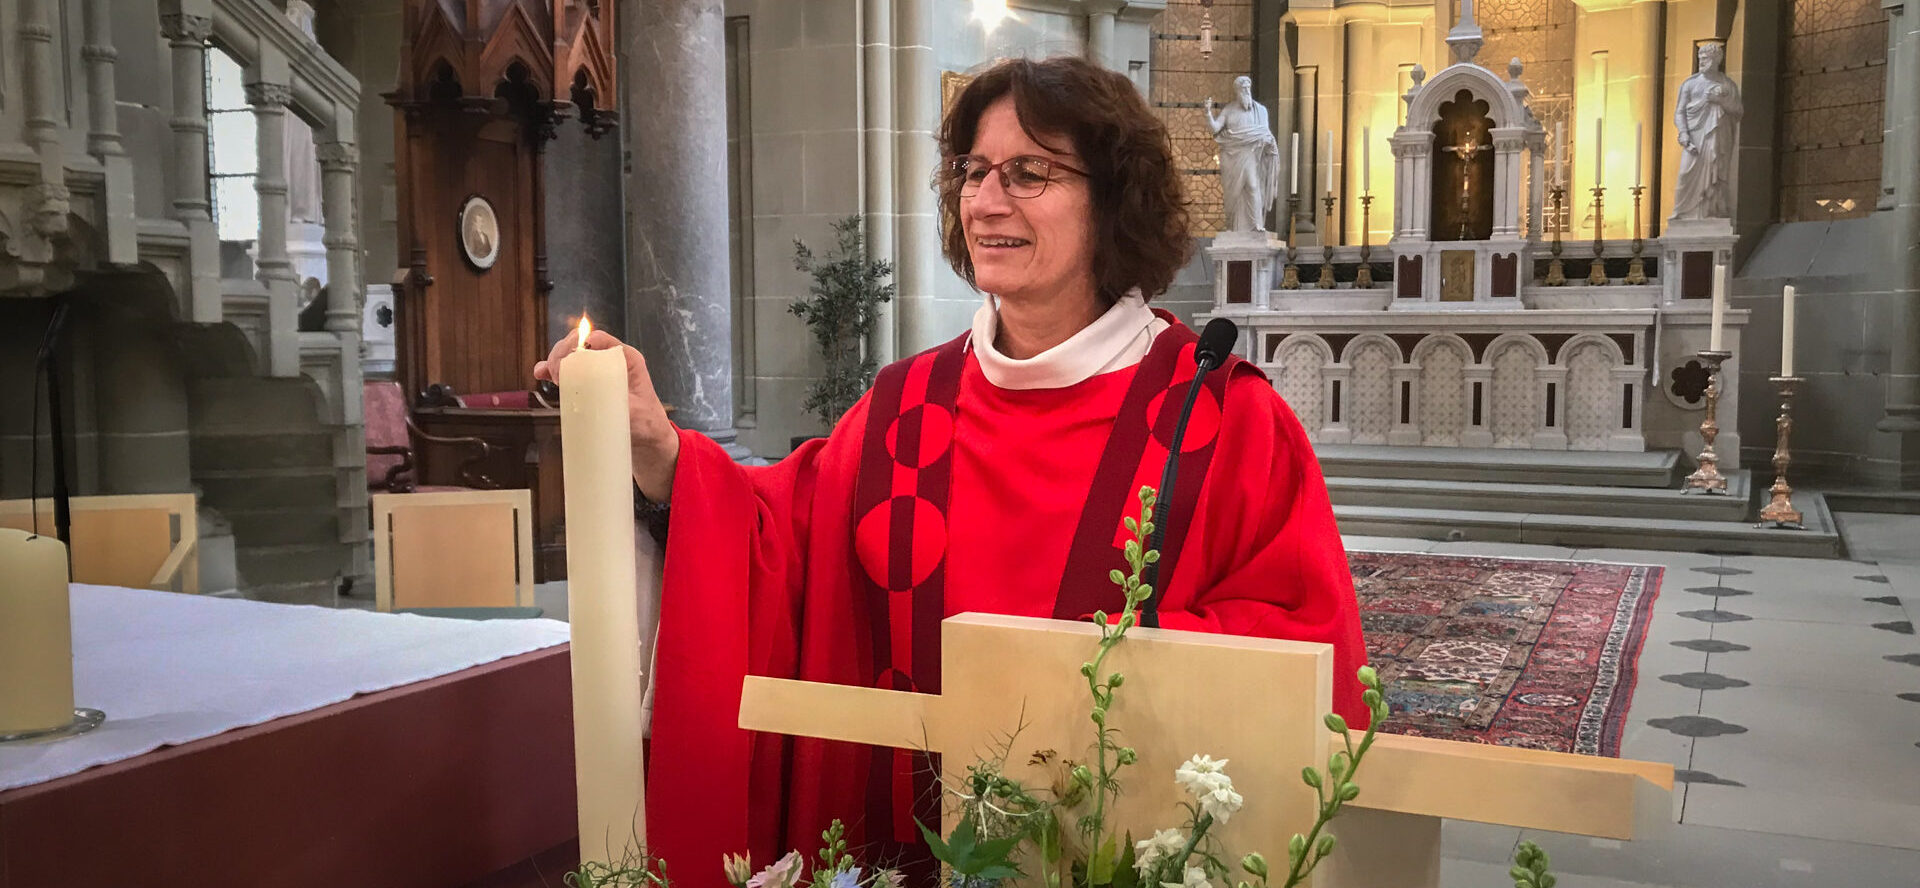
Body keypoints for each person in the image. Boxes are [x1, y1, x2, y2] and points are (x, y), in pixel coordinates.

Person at [535, 56, 1366, 884]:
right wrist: (662, 452)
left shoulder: (1220, 418)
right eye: (974, 171)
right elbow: (774, 542)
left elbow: (1301, 651)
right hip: (900, 854)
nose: (986, 200)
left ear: (1113, 198)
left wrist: (1092, 689)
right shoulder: (907, 409)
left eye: (1029, 172)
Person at [1671, 41, 1742, 221]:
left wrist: (1721, 101)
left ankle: (1712, 212)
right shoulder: (1689, 84)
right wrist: (1684, 133)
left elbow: (1738, 111)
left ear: (1716, 60)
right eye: (1700, 58)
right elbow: (1679, 111)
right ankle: (1684, 214)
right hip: (1694, 137)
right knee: (1684, 175)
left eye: (1705, 58)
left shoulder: (1728, 85)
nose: (1701, 61)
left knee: (1716, 175)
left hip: (1718, 137)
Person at [1206, 75, 1281, 232]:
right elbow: (1214, 128)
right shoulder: (1229, 110)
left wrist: (1269, 144)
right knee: (1235, 193)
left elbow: (1264, 133)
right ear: (1237, 92)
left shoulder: (1260, 111)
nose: (1246, 91)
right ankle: (1233, 225)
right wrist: (1207, 113)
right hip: (1232, 157)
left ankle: (1256, 225)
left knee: (1253, 186)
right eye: (1242, 89)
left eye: (1248, 88)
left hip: (1252, 156)